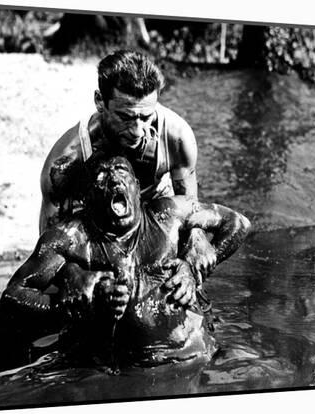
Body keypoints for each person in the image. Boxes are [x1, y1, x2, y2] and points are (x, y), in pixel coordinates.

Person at [0, 155, 251, 365]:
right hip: (112, 369)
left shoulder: (168, 215)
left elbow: (237, 223)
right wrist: (75, 306)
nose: (114, 179)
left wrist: (192, 267)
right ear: (86, 198)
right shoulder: (70, 238)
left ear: (137, 187)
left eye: (120, 170)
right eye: (101, 177)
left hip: (197, 354)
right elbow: (7, 307)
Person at [39, 49, 215, 280]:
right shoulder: (66, 160)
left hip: (154, 213)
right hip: (96, 219)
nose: (138, 131)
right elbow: (52, 240)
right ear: (100, 101)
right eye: (126, 117)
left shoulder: (177, 136)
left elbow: (190, 204)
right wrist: (77, 277)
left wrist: (197, 242)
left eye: (145, 117)